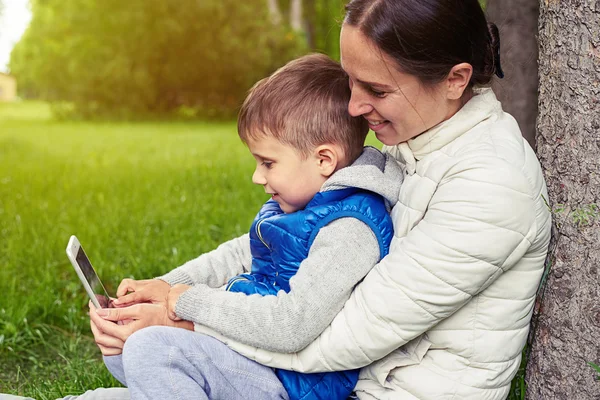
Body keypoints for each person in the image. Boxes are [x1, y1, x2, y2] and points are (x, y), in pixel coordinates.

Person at [2, 0, 551, 398]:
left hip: (374, 389)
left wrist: (181, 317)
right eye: (351, 82)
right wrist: (164, 293)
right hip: (323, 377)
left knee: (154, 355)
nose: (355, 108)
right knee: (128, 368)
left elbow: (337, 337)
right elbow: (278, 243)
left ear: (456, 79)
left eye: (377, 90)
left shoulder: (491, 186)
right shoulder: (410, 141)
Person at [95, 53, 401, 400]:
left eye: (268, 163)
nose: (258, 177)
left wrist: (186, 304)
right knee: (124, 344)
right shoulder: (306, 203)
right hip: (257, 360)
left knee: (151, 349)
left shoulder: (349, 229)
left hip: (290, 380)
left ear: (324, 160)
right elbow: (237, 253)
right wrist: (164, 286)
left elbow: (292, 324)